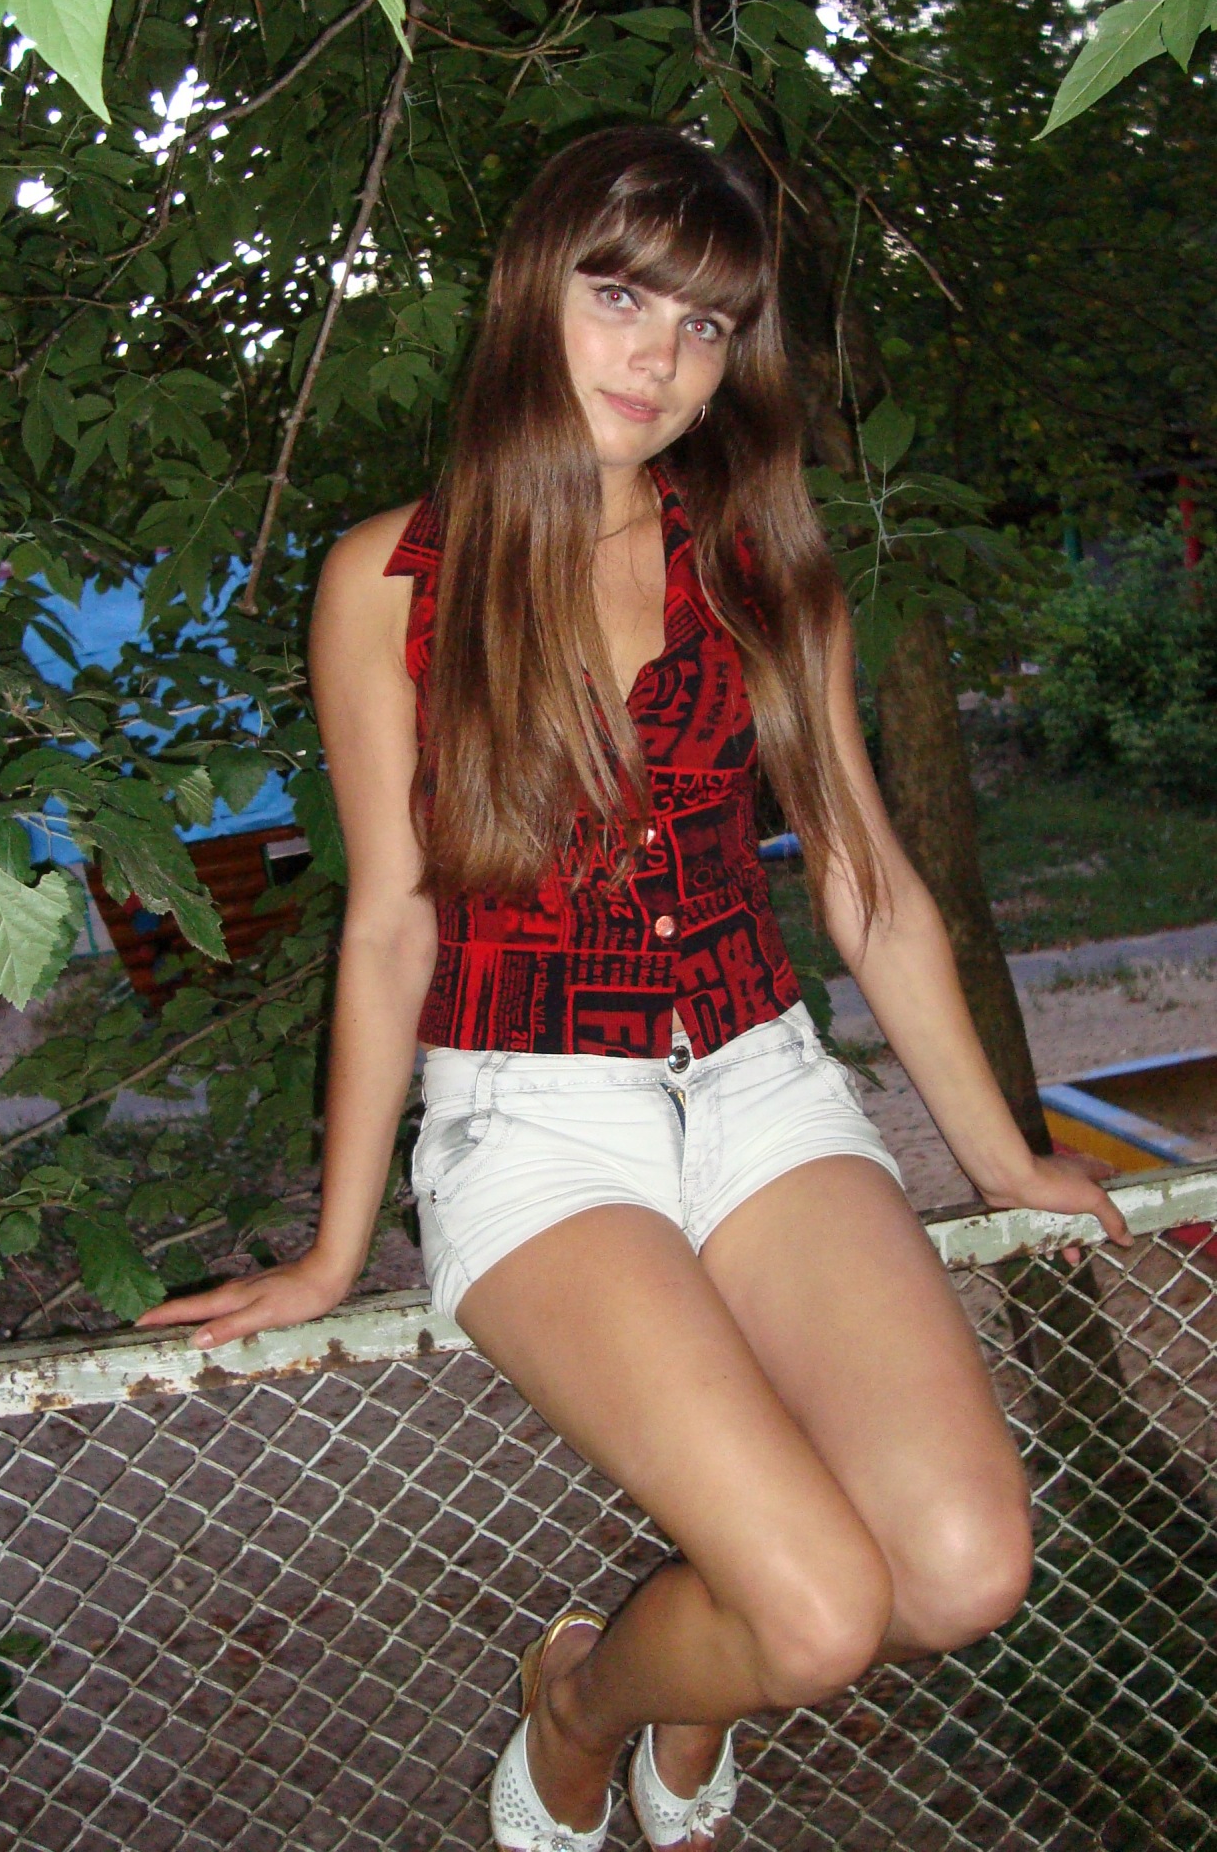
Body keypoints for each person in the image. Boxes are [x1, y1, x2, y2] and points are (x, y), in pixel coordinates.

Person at [137, 125, 1130, 1852]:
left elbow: (866, 880)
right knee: (813, 1617)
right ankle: (585, 1704)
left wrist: (1002, 1160)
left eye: (705, 325)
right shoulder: (390, 579)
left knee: (961, 1574)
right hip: (533, 1125)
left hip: (760, 1084)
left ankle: (671, 1685)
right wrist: (333, 1248)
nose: (659, 359)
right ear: (534, 292)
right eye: (620, 298)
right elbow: (391, 923)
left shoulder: (757, 558)